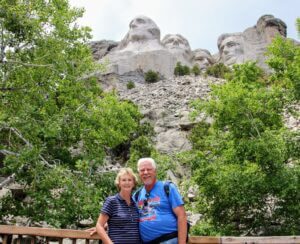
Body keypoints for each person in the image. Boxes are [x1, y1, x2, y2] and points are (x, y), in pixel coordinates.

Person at [135, 157, 187, 244]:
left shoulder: (167, 188)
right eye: (142, 170)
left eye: (149, 169)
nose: (146, 172)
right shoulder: (137, 195)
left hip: (168, 240)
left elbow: (182, 215)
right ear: (139, 174)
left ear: (155, 171)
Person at [93, 168, 142, 244]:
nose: (127, 183)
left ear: (133, 183)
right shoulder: (111, 201)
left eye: (129, 180)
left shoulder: (136, 203)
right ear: (118, 183)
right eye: (124, 180)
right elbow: (99, 225)